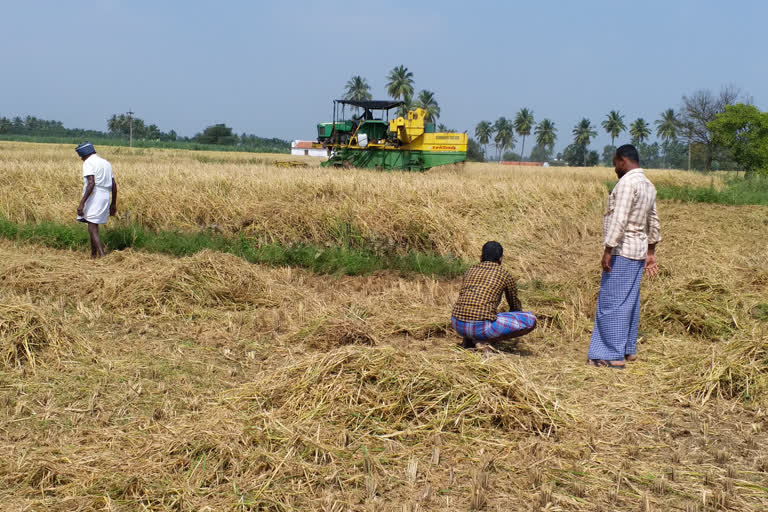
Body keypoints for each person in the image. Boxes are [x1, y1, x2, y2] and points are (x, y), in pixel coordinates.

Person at [587, 144, 661, 369]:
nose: (614, 169)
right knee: (629, 301)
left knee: (611, 303)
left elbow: (619, 219)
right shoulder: (648, 185)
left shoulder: (626, 184)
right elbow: (654, 222)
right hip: (638, 252)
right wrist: (651, 252)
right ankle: (628, 350)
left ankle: (611, 355)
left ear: (622, 160)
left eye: (614, 164)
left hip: (622, 250)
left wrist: (607, 249)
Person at [451, 241, 537, 351]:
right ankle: (483, 341)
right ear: (500, 259)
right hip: (481, 327)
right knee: (531, 320)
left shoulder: (470, 270)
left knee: (484, 315)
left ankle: (468, 339)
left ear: (481, 257)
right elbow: (514, 305)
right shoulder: (504, 274)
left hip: (457, 323)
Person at [75, 142, 117, 258]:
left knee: (92, 227)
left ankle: (102, 255)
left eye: (81, 157)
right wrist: (113, 203)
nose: (81, 159)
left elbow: (91, 183)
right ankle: (93, 255)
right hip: (105, 196)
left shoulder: (89, 162)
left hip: (95, 195)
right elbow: (114, 184)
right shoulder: (106, 163)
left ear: (85, 155)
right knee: (92, 223)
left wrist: (82, 203)